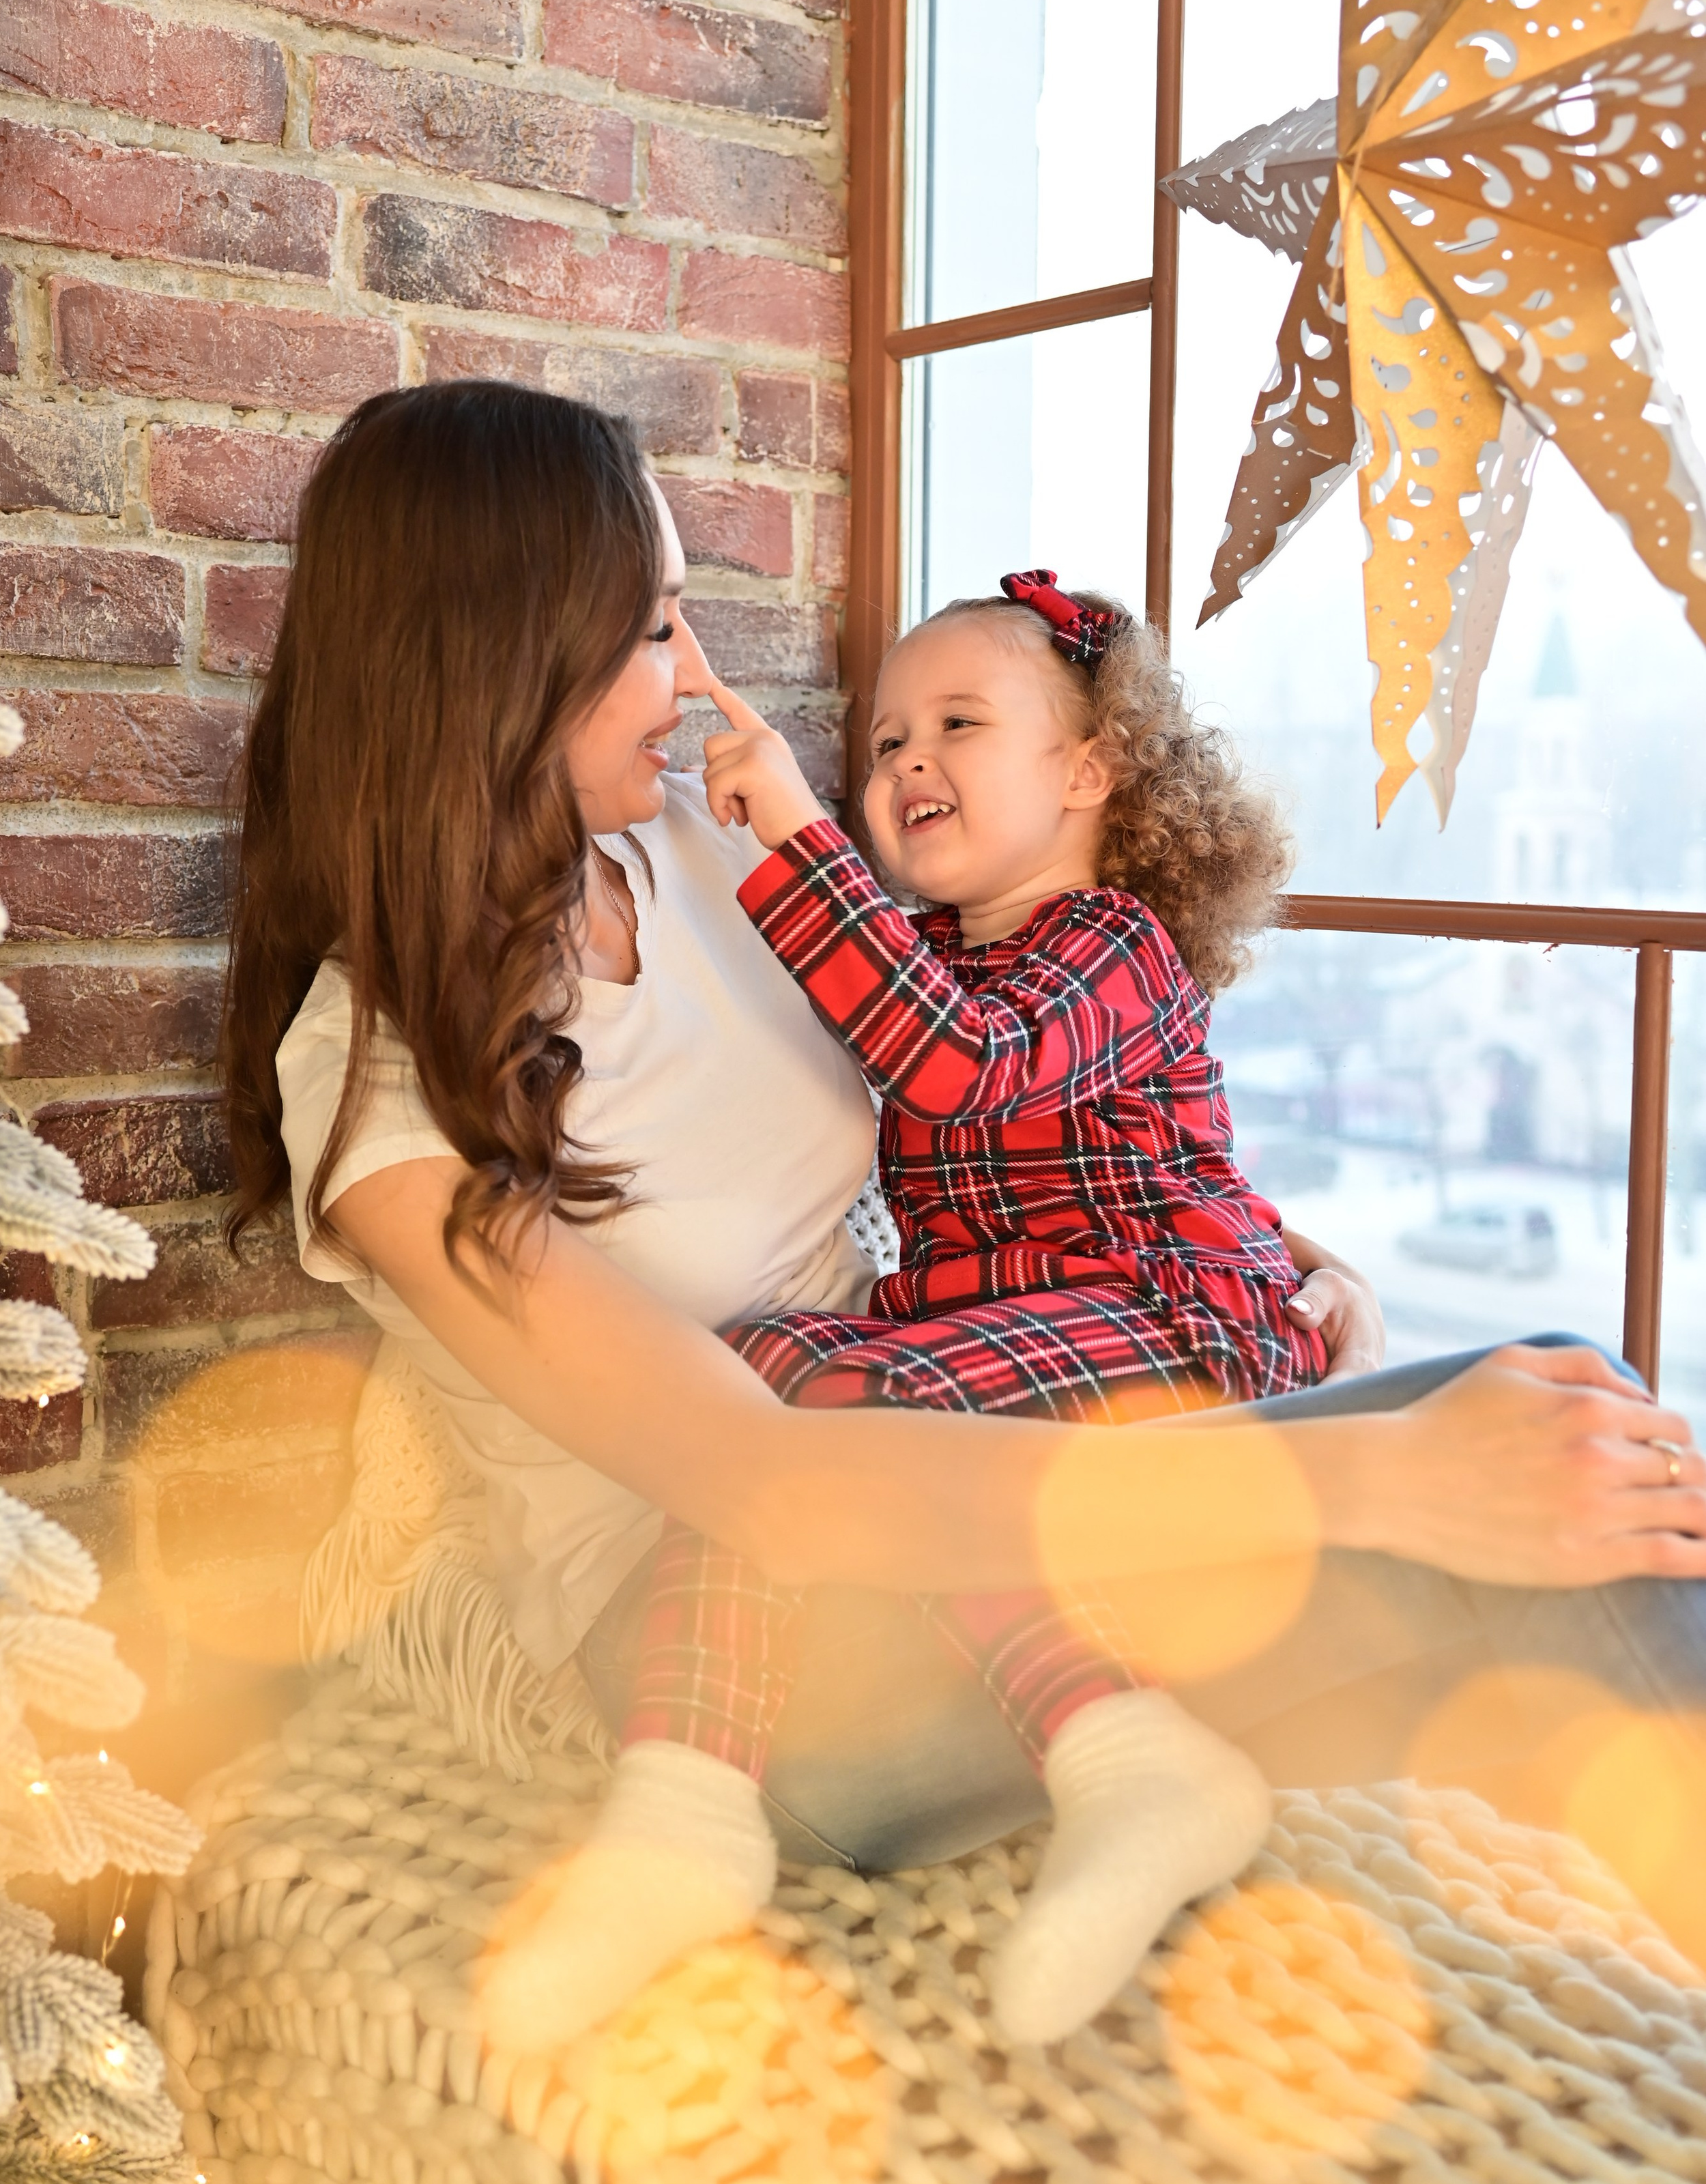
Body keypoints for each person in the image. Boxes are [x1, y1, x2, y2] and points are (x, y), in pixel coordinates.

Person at [221, 381, 1706, 2033]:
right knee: (1516, 1448)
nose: (690, 673)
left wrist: (1263, 1247)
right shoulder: (378, 1082)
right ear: (500, 655)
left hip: (961, 1487)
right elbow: (763, 1481)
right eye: (647, 626)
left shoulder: (700, 864)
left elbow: (1020, 1082)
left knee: (1582, 1437)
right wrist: (1378, 1469)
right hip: (738, 1657)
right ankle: (758, 1825)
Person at [524, 569, 1329, 2050]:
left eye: (958, 722)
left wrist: (792, 836)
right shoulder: (933, 962)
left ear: (1087, 773)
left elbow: (961, 1062)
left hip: (1172, 1327)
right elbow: (913, 1025)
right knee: (752, 1381)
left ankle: (1125, 1761)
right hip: (1025, 1347)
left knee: (837, 1403)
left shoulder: (1111, 946)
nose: (905, 763)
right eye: (884, 740)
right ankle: (687, 1804)